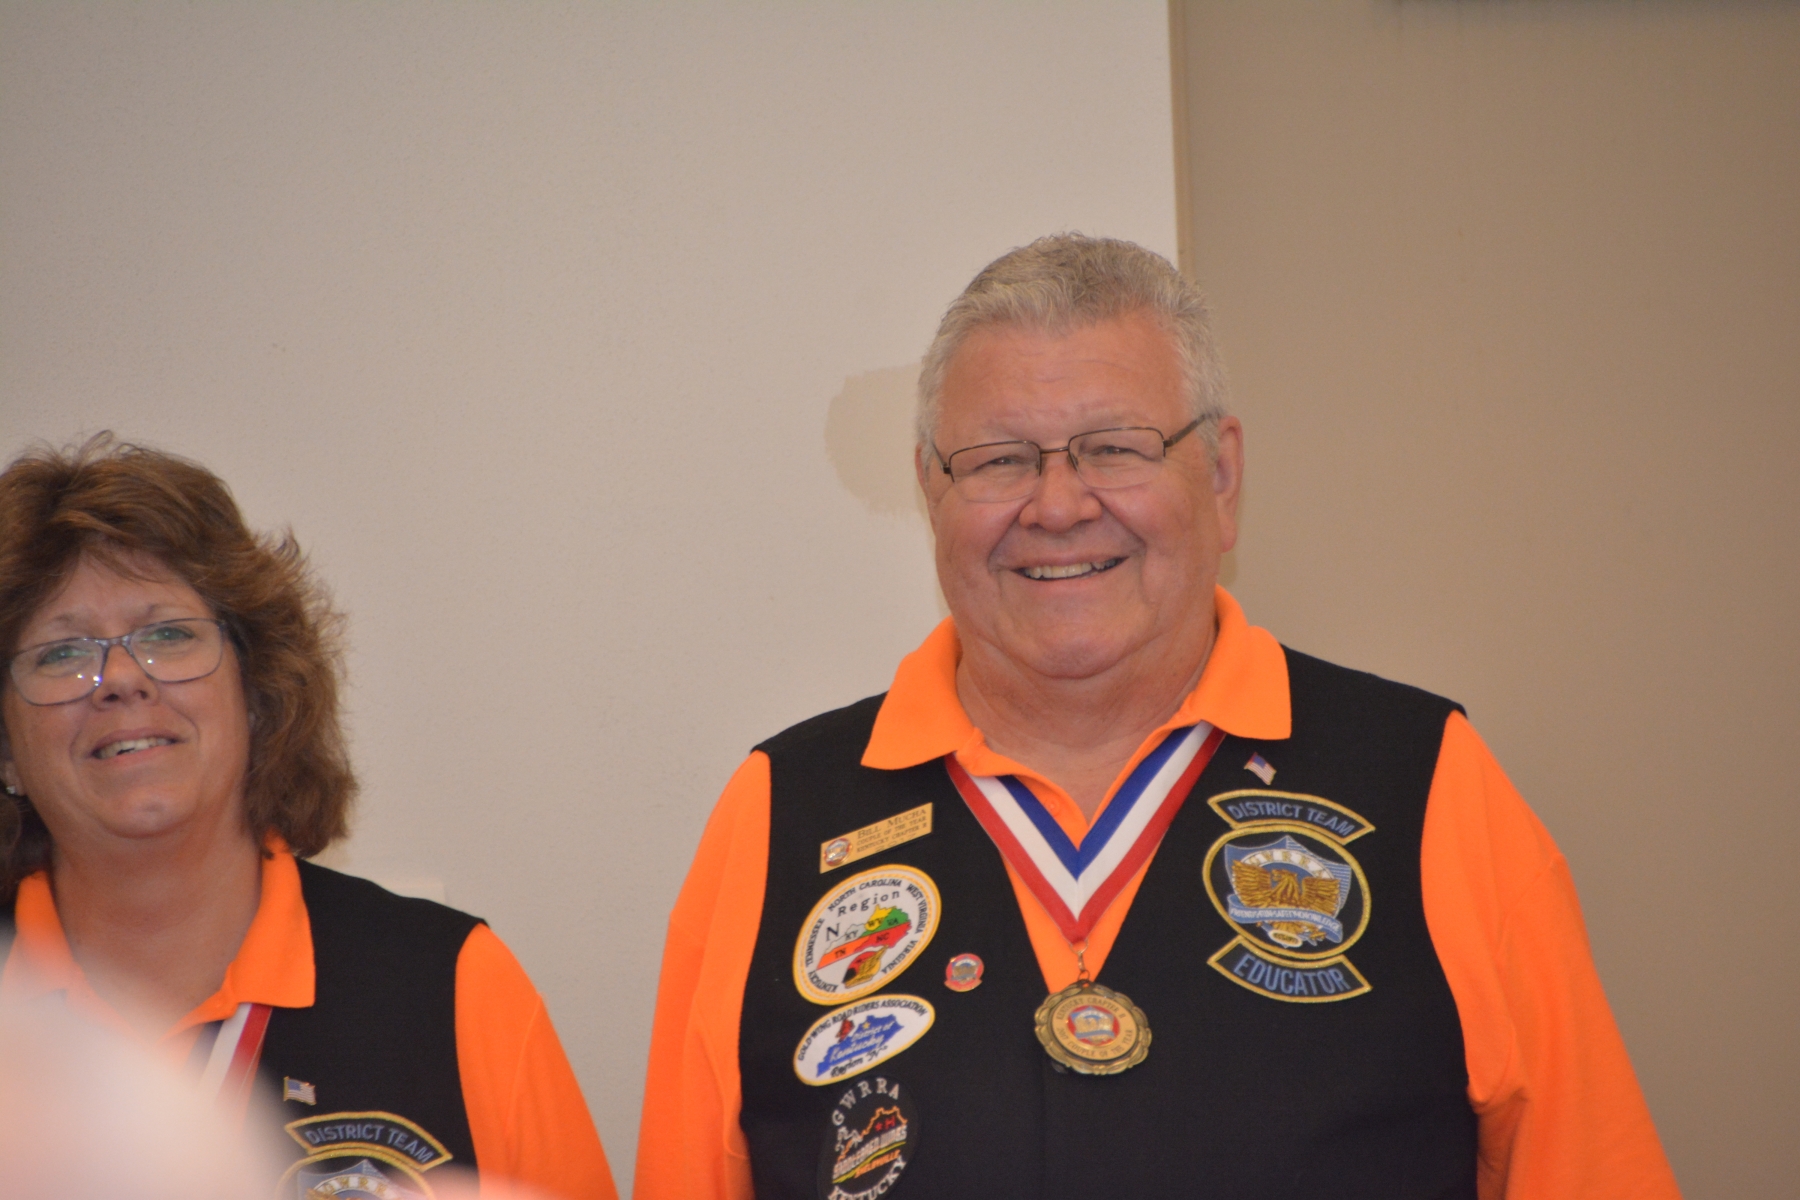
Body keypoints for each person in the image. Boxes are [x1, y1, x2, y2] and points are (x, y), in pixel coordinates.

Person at [636, 235, 1682, 1199]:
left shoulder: (1426, 782)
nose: (1057, 506)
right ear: (930, 490)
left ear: (1220, 476)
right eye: (999, 459)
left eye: (1115, 448)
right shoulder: (779, 817)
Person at [0, 435, 617, 1200]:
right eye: (62, 652)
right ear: (7, 746)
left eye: (167, 634)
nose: (121, 679)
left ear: (257, 694)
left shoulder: (453, 986)